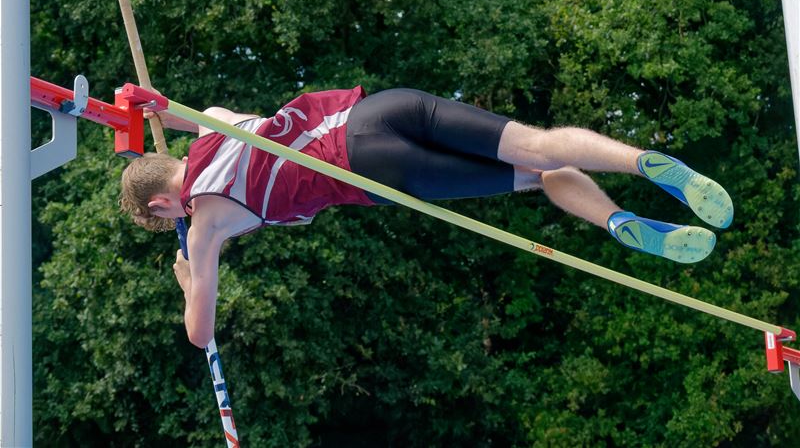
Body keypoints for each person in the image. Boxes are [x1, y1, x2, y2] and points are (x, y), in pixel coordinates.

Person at [120, 86, 733, 348]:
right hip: (381, 109)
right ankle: (644, 161)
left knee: (536, 180)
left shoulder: (203, 224)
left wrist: (188, 280)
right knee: (541, 146)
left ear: (161, 206)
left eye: (163, 220)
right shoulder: (211, 120)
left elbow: (200, 332)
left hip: (372, 171)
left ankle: (615, 223)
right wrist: (153, 109)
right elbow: (176, 114)